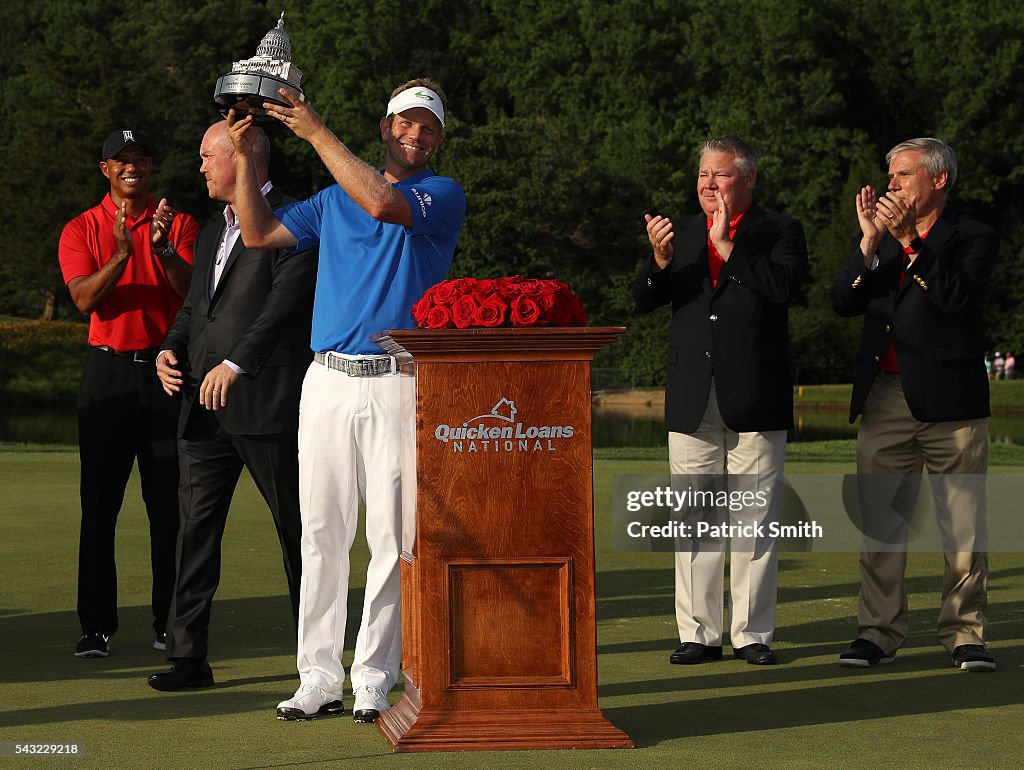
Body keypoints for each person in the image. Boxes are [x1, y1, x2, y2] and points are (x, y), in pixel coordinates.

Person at [227, 78, 466, 721]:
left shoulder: (439, 194)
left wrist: (312, 130)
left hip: (399, 380)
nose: (416, 134)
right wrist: (248, 158)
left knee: (391, 536)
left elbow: (385, 202)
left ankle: (373, 675)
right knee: (323, 533)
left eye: (429, 127)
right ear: (386, 127)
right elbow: (258, 232)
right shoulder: (333, 200)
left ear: (439, 139)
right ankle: (318, 676)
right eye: (406, 123)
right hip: (327, 379)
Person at [146, 120, 318, 691]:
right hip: (201, 408)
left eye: (207, 156)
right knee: (194, 532)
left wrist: (236, 364)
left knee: (297, 532)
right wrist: (170, 349)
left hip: (269, 404)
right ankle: (187, 658)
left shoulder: (296, 219)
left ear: (245, 158)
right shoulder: (214, 230)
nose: (200, 167)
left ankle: (315, 663)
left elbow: (281, 311)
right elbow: (198, 310)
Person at [632, 136, 808, 666]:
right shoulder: (680, 233)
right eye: (704, 174)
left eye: (721, 174)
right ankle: (699, 634)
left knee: (755, 524)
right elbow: (642, 300)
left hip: (756, 395)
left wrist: (729, 247)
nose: (709, 184)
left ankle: (752, 635)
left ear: (749, 179)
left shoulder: (779, 231)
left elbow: (785, 287)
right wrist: (660, 262)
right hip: (692, 396)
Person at [832, 137, 998, 671]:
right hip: (884, 395)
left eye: (903, 175)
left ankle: (965, 634)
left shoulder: (973, 236)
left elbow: (956, 301)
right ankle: (878, 633)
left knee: (964, 526)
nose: (893, 185)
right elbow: (843, 301)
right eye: (891, 176)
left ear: (938, 179)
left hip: (952, 401)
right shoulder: (879, 238)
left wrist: (909, 242)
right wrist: (867, 243)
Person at [59, 128, 199, 657]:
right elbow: (82, 299)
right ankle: (96, 627)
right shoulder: (82, 228)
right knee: (99, 507)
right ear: (106, 170)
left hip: (166, 374)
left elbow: (191, 291)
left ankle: (168, 624)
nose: (132, 167)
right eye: (122, 160)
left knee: (168, 508)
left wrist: (159, 248)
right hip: (108, 374)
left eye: (141, 158)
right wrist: (120, 255)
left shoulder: (179, 222)